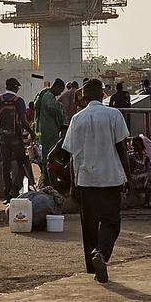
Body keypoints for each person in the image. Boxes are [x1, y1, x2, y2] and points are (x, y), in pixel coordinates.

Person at [62, 79, 130, 284]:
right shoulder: (114, 115)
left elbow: (72, 155)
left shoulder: (76, 119)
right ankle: (101, 253)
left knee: (89, 224)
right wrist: (128, 176)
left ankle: (92, 266)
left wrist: (73, 184)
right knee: (111, 221)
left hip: (85, 178)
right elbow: (122, 148)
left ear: (83, 97)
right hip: (110, 177)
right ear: (103, 95)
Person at [0, 78, 34, 200]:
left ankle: (7, 194)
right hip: (16, 138)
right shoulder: (19, 101)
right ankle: (16, 189)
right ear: (15, 88)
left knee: (6, 165)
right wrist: (31, 132)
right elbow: (24, 121)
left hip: (3, 138)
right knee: (23, 162)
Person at [33, 79, 66, 179]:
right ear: (57, 87)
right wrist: (61, 106)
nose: (60, 93)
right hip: (49, 129)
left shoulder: (42, 93)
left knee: (43, 152)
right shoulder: (49, 96)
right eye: (60, 91)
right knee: (50, 153)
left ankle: (45, 175)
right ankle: (47, 177)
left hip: (40, 129)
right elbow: (55, 109)